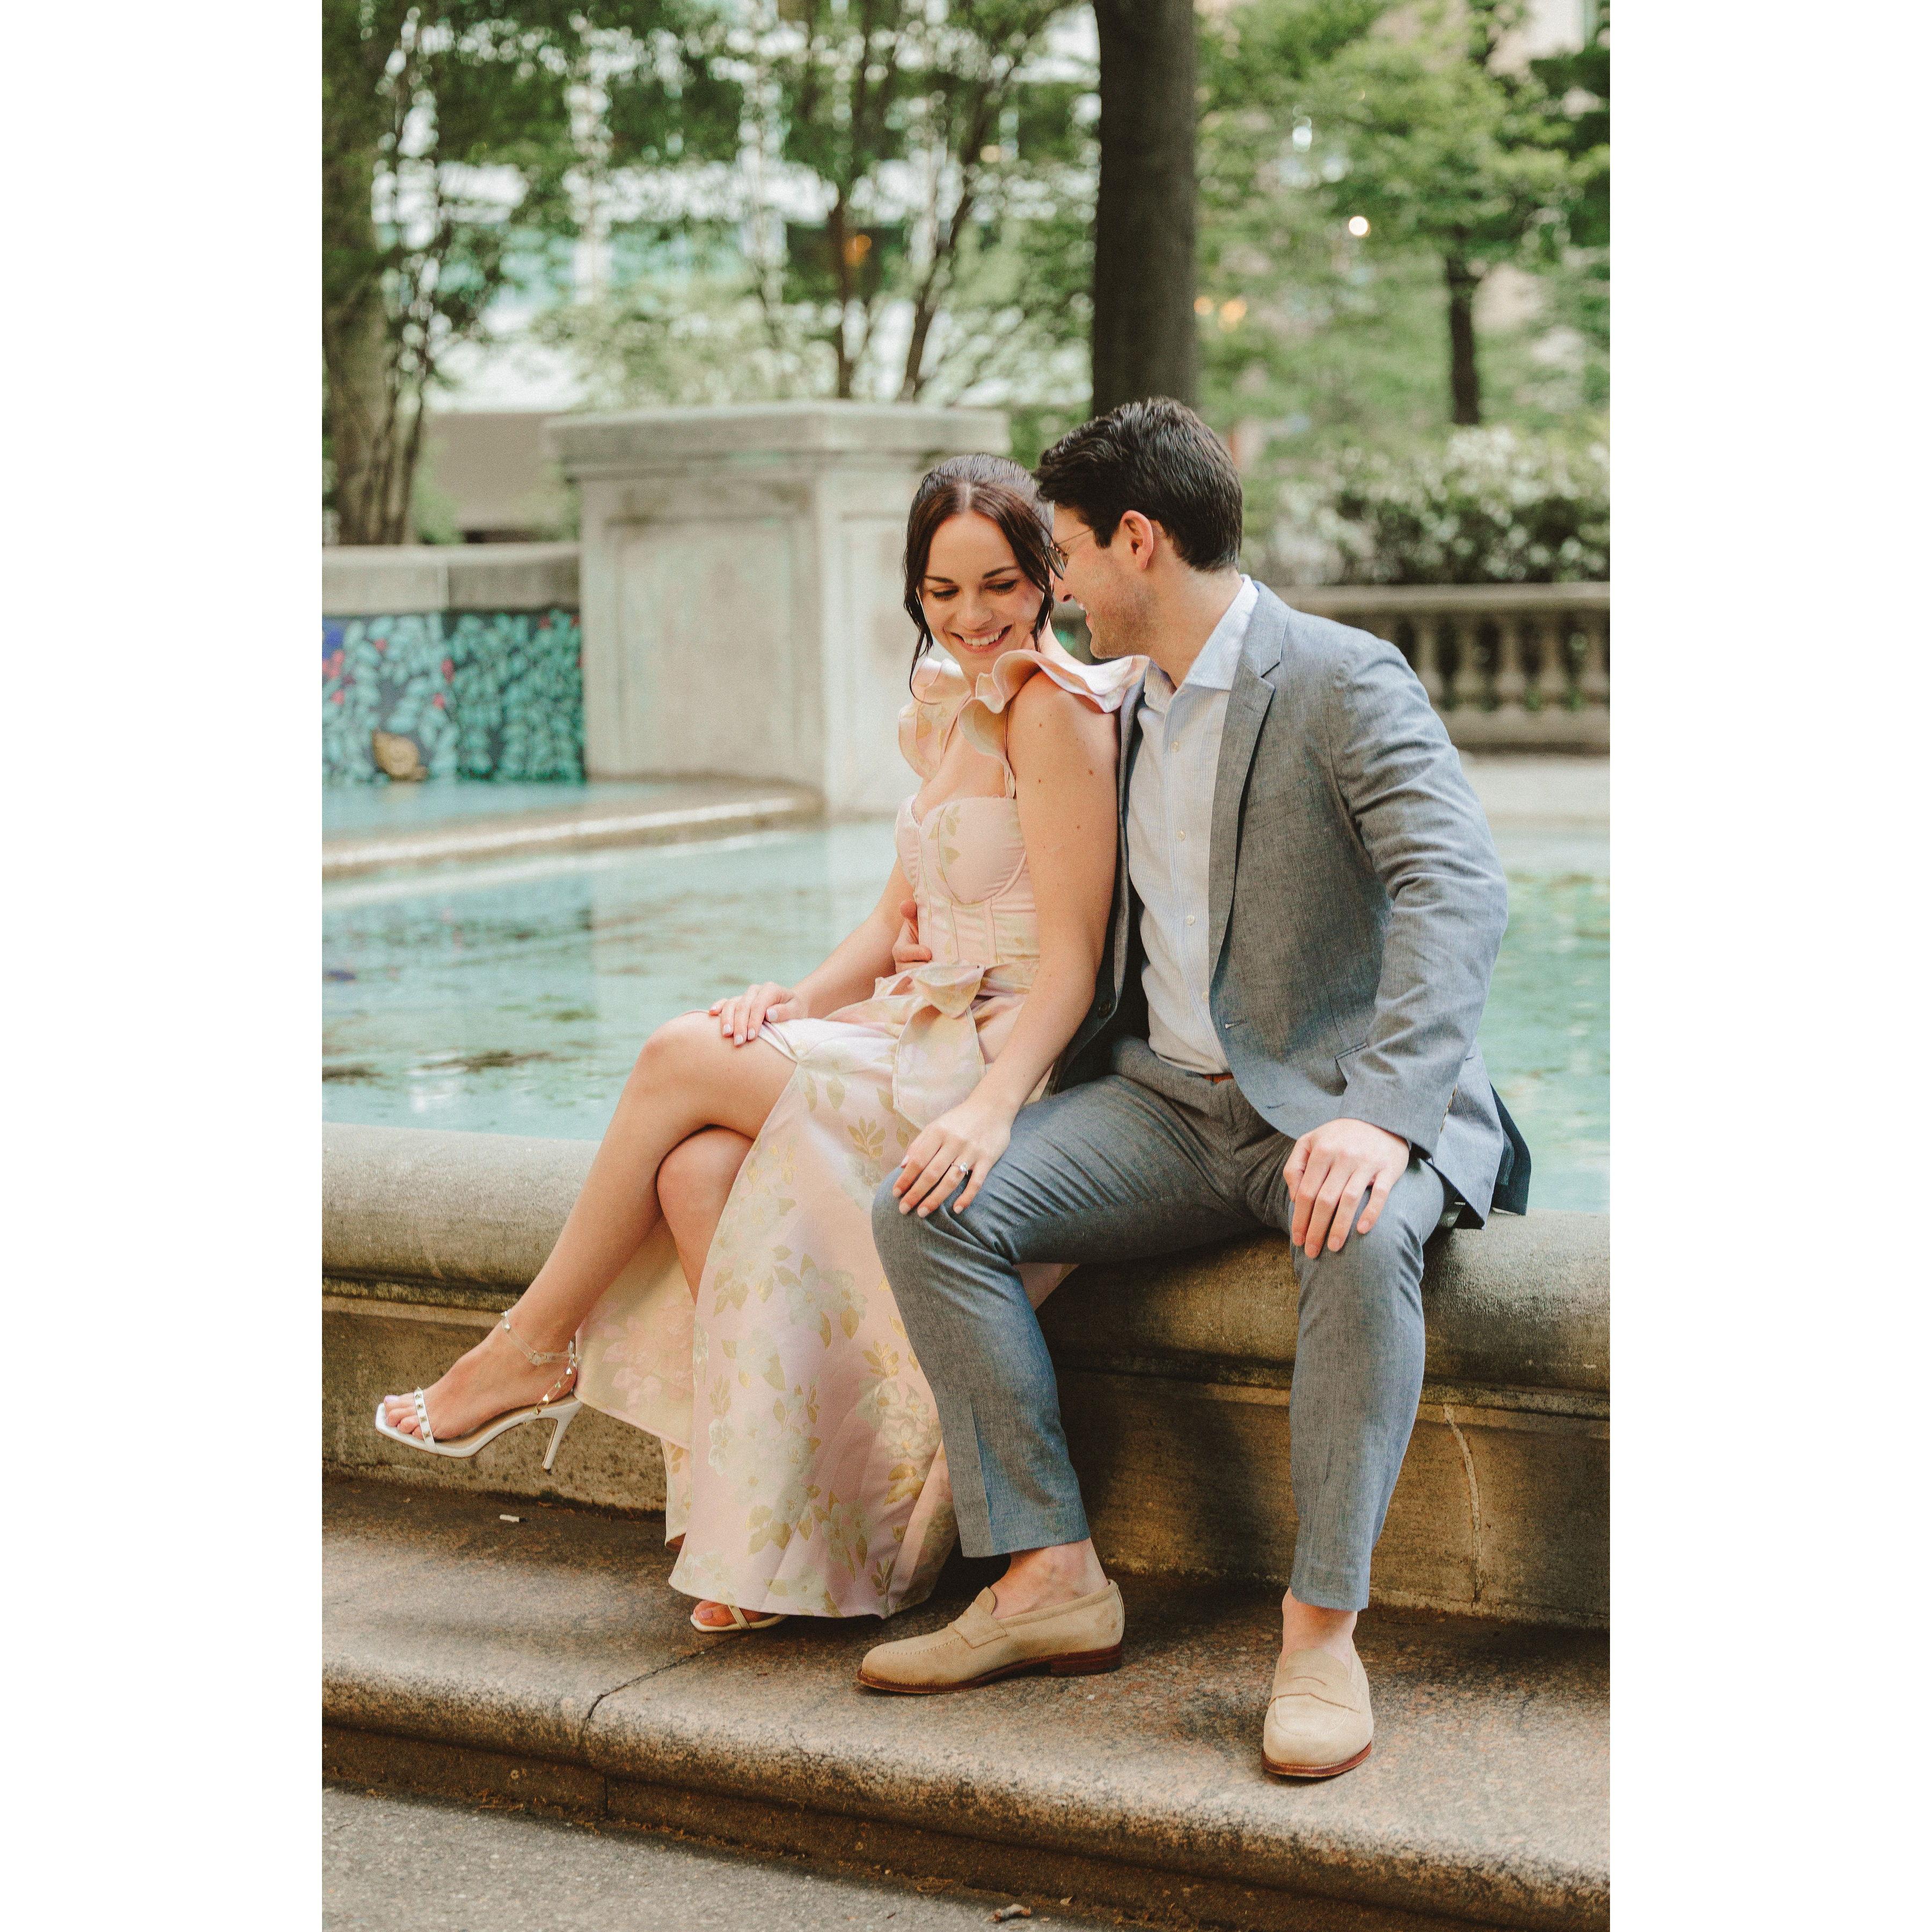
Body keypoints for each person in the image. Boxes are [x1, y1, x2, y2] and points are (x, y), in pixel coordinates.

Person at [857, 400, 1529, 1778]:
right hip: (1166, 1106)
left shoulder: (1344, 679)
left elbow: (1455, 886)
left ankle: (1321, 1635)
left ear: (1137, 542)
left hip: (1340, 1109)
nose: (1051, 583)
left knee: (1354, 1239)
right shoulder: (1115, 699)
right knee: (928, 1208)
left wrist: (1383, 1112)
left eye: (1062, 552)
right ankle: (1050, 1577)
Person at [375, 453, 1139, 1631]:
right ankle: (762, 1544)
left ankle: (530, 1349)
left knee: (677, 1055)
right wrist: (790, 1002)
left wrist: (991, 1112)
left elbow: (1077, 970)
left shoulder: (1057, 714)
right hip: (912, 1024)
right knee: (695, 1168)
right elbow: (895, 922)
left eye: (999, 585)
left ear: (1047, 578)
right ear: (917, 599)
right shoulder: (950, 709)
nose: (973, 617)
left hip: (990, 1067)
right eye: (943, 594)